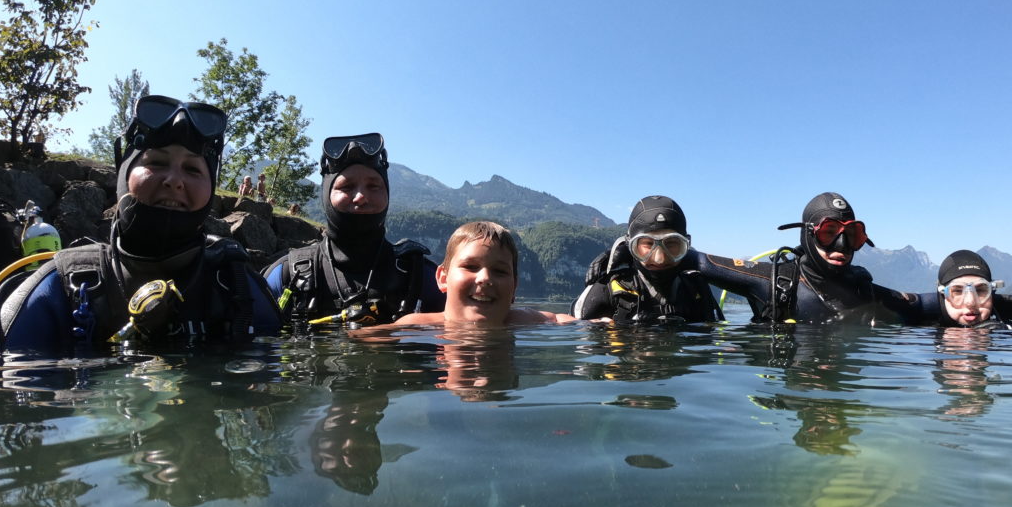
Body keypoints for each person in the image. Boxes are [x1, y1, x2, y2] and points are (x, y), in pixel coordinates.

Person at [0, 95, 282, 354]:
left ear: (211, 189)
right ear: (124, 174)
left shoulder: (239, 287)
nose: (174, 180)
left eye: (193, 169)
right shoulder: (56, 290)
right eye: (157, 163)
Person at [262, 133, 444, 327]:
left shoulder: (421, 276)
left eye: (373, 186)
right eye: (346, 187)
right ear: (326, 195)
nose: (360, 196)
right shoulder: (286, 275)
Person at [688, 192, 934, 324]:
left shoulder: (863, 289)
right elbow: (699, 261)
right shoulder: (774, 281)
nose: (842, 245)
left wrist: (964, 287)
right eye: (829, 233)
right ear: (808, 235)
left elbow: (922, 304)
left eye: (851, 235)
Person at [572, 195, 723, 324]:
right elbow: (571, 324)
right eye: (647, 244)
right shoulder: (609, 290)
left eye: (671, 244)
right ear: (631, 245)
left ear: (686, 245)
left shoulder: (696, 288)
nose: (659, 258)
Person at [391, 221, 574, 326]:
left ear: (514, 288)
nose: (485, 278)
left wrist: (599, 322)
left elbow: (559, 318)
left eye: (500, 271)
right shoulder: (415, 325)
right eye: (470, 267)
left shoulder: (521, 319)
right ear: (443, 278)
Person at [935, 249, 1012, 329]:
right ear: (943, 294)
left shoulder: (1008, 330)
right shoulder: (923, 327)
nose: (970, 302)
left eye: (979, 290)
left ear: (991, 293)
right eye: (958, 291)